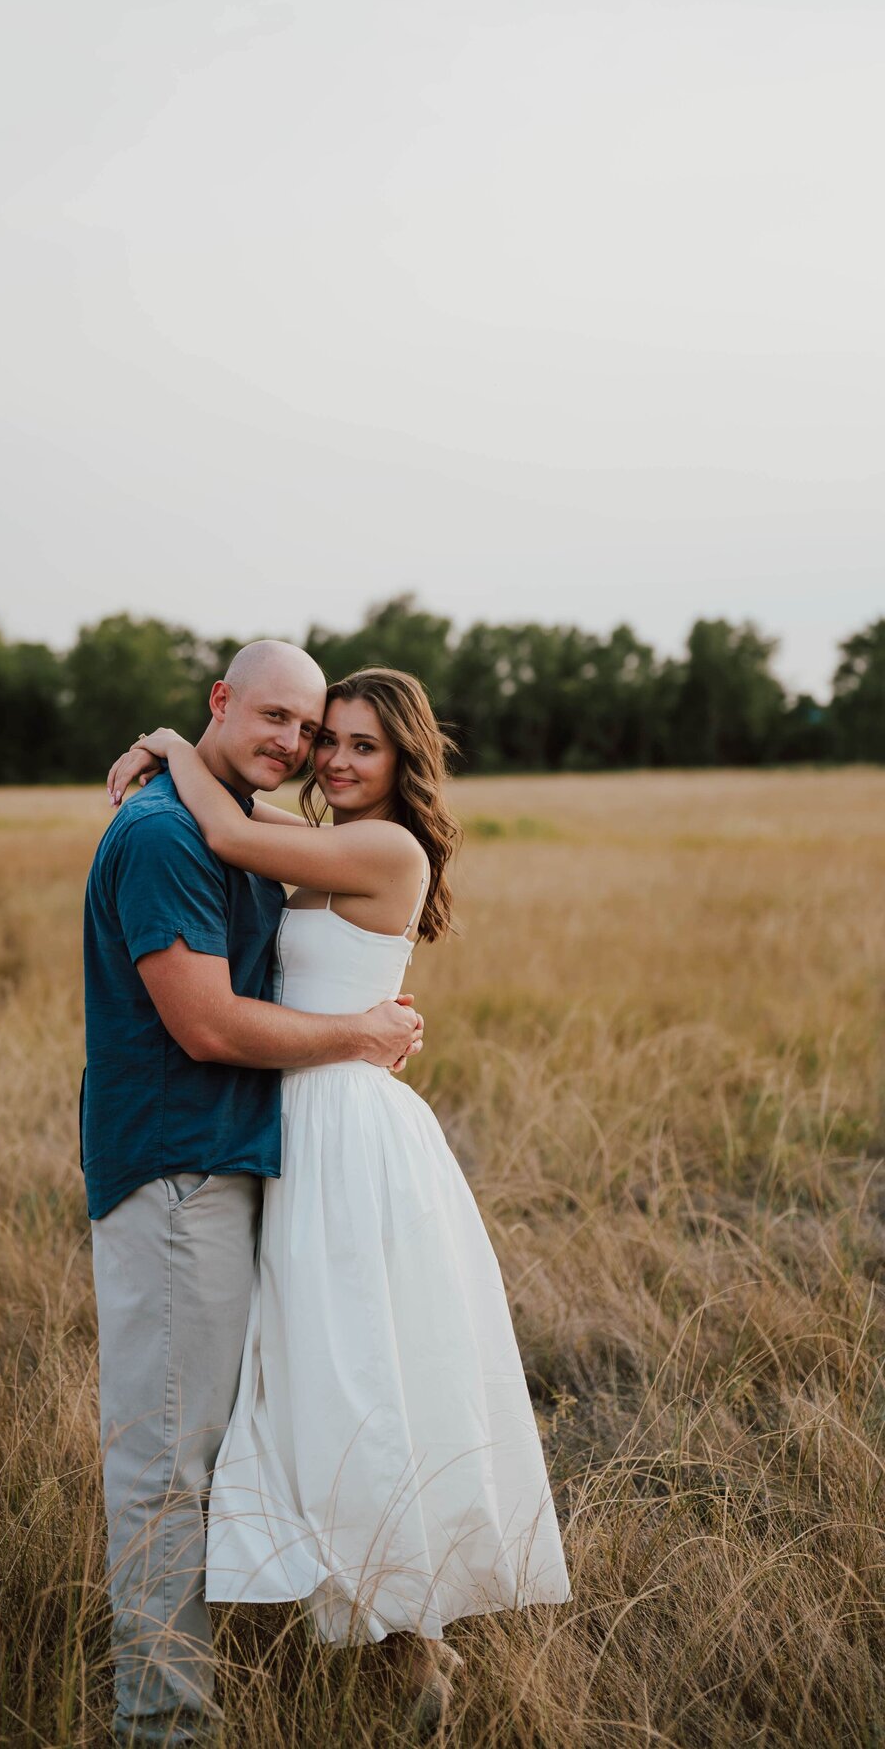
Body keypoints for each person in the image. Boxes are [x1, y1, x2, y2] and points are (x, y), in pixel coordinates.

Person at [108, 666, 571, 1737]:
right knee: (307, 1377)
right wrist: (189, 760)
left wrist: (172, 746)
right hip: (295, 1125)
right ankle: (378, 1628)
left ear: (405, 759)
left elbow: (228, 831)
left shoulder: (389, 850)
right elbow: (246, 821)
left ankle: (410, 1639)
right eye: (330, 740)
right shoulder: (325, 840)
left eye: (364, 744)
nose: (337, 759)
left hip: (349, 1133)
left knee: (352, 1371)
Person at [81, 641, 423, 1749]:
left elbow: (256, 850)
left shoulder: (235, 825)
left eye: (317, 732)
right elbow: (208, 1025)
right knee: (165, 1463)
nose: (304, 747)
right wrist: (360, 1031)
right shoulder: (168, 833)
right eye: (283, 719)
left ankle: (399, 1651)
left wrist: (173, 750)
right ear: (222, 701)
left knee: (300, 1415)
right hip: (180, 1170)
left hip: (261, 1159)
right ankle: (163, 1726)